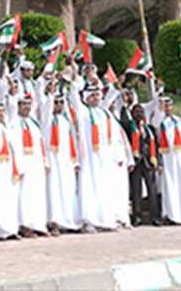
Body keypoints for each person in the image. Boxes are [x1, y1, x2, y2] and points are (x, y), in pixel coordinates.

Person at [70, 63, 119, 233]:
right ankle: (88, 220)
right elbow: (74, 96)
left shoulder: (104, 113)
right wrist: (76, 75)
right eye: (92, 95)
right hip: (89, 158)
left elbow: (112, 93)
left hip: (104, 157)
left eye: (98, 95)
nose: (96, 98)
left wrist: (103, 81)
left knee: (105, 186)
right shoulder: (83, 112)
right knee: (89, 187)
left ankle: (105, 220)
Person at [0, 81, 23, 240]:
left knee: (10, 197)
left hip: (8, 166)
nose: (1, 113)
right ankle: (0, 230)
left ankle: (11, 229)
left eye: (2, 111)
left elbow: (13, 113)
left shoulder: (6, 126)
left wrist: (12, 94)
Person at [40, 89, 80, 235]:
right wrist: (50, 94)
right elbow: (46, 111)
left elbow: (72, 141)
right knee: (54, 191)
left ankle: (68, 221)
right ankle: (54, 222)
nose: (58, 105)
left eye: (61, 103)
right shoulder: (47, 120)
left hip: (66, 162)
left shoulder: (65, 121)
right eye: (56, 102)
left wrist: (75, 162)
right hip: (52, 161)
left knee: (68, 190)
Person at [13, 93, 49, 237]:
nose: (26, 107)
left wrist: (45, 161)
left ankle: (38, 225)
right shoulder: (14, 122)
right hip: (24, 164)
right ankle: (24, 225)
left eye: (28, 104)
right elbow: (15, 146)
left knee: (37, 194)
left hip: (36, 163)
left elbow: (41, 143)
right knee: (25, 195)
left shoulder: (34, 122)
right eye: (23, 104)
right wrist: (19, 166)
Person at [120, 104, 161, 226]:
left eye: (141, 112)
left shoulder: (149, 128)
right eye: (136, 112)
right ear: (132, 114)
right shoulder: (128, 126)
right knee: (136, 190)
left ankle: (155, 217)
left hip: (149, 162)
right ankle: (137, 217)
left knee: (152, 190)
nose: (139, 114)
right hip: (136, 162)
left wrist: (157, 161)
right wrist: (125, 106)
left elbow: (155, 145)